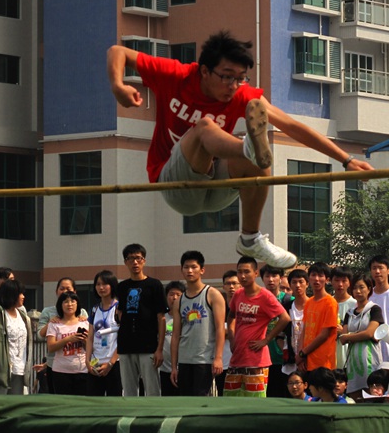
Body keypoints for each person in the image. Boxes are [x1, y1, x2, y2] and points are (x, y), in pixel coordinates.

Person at [107, 32, 373, 269]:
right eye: (226, 77)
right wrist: (118, 86)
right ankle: (247, 148)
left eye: (240, 78)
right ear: (204, 71)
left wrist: (346, 160)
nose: (233, 86)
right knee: (205, 127)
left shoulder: (242, 96)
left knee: (259, 162)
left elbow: (292, 126)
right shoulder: (176, 75)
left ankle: (250, 238)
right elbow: (118, 52)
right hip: (176, 185)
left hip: (216, 189)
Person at [225, 256, 290, 397]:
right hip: (237, 358)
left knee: (255, 403)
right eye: (239, 272)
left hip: (256, 360)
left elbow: (285, 318)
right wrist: (232, 337)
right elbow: (231, 317)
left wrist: (266, 340)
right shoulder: (238, 294)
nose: (242, 276)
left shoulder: (265, 296)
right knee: (230, 400)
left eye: (246, 272)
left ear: (255, 273)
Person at [170, 250, 226, 397]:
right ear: (181, 270)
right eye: (186, 267)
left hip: (204, 359)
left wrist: (218, 358)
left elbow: (220, 328)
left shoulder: (212, 294)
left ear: (202, 270)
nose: (190, 271)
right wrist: (174, 366)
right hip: (184, 359)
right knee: (186, 400)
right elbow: (175, 335)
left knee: (201, 399)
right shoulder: (179, 301)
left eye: (194, 267)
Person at [115, 243, 166, 397]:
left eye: (138, 258)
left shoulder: (154, 285)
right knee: (129, 391)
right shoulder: (122, 287)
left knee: (152, 390)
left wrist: (159, 349)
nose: (135, 262)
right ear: (125, 262)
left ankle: (153, 413)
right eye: (130, 259)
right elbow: (120, 313)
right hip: (126, 346)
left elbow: (161, 318)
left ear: (144, 260)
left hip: (148, 346)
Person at [37, 277, 89, 393]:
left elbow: (90, 344)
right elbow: (40, 336)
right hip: (55, 365)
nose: (65, 291)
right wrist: (51, 322)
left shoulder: (83, 314)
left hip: (81, 368)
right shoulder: (48, 312)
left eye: (68, 289)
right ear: (56, 291)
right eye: (61, 289)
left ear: (74, 292)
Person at [339, 273, 383, 398]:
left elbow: (370, 333)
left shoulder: (374, 309)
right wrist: (361, 335)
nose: (358, 291)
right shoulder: (350, 313)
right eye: (354, 288)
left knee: (372, 393)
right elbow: (342, 339)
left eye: (361, 287)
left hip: (369, 358)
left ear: (369, 289)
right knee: (355, 395)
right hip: (353, 361)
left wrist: (350, 336)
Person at [297, 262, 339, 372]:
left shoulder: (330, 303)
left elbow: (324, 335)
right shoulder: (309, 302)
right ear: (309, 278)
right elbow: (304, 330)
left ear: (327, 280)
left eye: (320, 276)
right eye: (313, 275)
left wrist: (303, 353)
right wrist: (301, 354)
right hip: (307, 361)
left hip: (323, 362)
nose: (316, 279)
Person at [46, 291, 89, 395]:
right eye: (66, 302)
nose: (69, 304)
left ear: (77, 304)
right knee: (63, 402)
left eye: (73, 301)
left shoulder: (85, 323)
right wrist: (68, 339)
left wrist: (84, 341)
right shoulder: (54, 324)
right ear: (60, 305)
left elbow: (92, 348)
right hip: (60, 372)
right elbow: (51, 347)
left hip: (82, 370)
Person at [87, 270, 122, 396]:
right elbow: (90, 337)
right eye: (98, 284)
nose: (101, 287)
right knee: (94, 401)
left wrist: (111, 363)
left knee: (114, 400)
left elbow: (123, 338)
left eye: (105, 284)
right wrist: (87, 361)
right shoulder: (94, 309)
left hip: (115, 363)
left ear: (112, 285)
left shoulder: (119, 308)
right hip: (95, 363)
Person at [260, 264, 290, 397]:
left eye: (274, 276)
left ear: (281, 278)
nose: (271, 279)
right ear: (262, 278)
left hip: (284, 360)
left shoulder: (289, 301)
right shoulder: (257, 299)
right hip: (262, 358)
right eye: (267, 276)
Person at [368, 255, 389, 364]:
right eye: (374, 268)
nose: (377, 271)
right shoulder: (368, 297)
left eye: (380, 268)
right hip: (373, 347)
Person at [215, 270, 240, 395]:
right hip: (222, 364)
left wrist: (224, 332)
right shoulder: (218, 308)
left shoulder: (244, 306)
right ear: (223, 286)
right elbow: (213, 331)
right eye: (228, 283)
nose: (231, 287)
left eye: (234, 283)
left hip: (242, 362)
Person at [160, 280, 185, 397]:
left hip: (184, 369)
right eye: (171, 294)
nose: (174, 298)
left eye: (178, 295)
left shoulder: (187, 318)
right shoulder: (161, 318)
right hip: (164, 369)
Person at [281, 268, 308, 374]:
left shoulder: (314, 306)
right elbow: (280, 335)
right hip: (291, 362)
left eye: (301, 282)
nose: (297, 285)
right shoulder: (286, 307)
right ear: (290, 285)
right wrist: (288, 352)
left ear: (307, 284)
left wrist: (303, 355)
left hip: (309, 358)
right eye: (294, 282)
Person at [331, 266, 357, 370]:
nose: (340, 284)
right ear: (331, 281)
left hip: (348, 354)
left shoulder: (355, 305)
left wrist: (343, 332)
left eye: (344, 281)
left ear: (349, 283)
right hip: (329, 353)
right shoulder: (327, 303)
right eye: (337, 280)